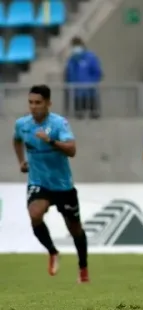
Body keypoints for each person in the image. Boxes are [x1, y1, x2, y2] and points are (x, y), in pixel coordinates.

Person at [13, 85, 89, 282]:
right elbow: (16, 140)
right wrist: (21, 160)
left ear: (48, 103)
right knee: (35, 214)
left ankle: (83, 269)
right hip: (38, 181)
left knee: (75, 228)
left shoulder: (59, 124)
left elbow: (72, 150)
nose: (33, 106)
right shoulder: (22, 124)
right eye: (31, 102)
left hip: (62, 184)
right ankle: (53, 252)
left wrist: (51, 141)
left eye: (38, 102)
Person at [65, 36, 103, 119]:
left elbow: (97, 73)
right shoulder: (71, 60)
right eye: (73, 46)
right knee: (78, 117)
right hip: (77, 95)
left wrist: (91, 84)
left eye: (76, 46)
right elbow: (68, 76)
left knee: (93, 117)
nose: (75, 48)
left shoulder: (90, 57)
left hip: (90, 94)